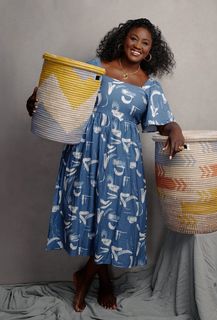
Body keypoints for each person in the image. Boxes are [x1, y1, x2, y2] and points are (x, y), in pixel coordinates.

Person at [26, 18, 185, 312]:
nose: (137, 45)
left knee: (114, 216)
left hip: (123, 160)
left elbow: (163, 123)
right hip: (86, 151)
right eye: (134, 38)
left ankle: (86, 276)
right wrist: (36, 102)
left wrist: (174, 128)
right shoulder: (96, 67)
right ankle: (105, 279)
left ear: (151, 51)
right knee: (90, 213)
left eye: (145, 42)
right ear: (123, 39)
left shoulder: (149, 85)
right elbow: (65, 98)